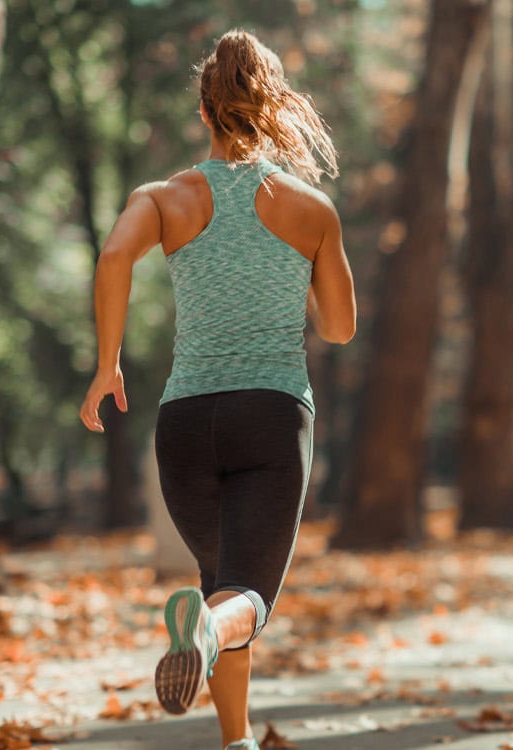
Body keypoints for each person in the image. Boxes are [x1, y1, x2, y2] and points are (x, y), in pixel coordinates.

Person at [78, 29, 356, 750]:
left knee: (222, 585)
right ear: (272, 108)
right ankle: (201, 633)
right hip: (271, 416)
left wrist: (108, 364)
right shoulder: (309, 208)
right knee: (246, 600)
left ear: (203, 112)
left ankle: (234, 741)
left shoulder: (164, 198)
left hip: (185, 421)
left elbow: (113, 256)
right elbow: (341, 328)